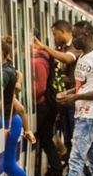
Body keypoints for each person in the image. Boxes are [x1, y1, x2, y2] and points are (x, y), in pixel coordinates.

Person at [44, 21, 93, 176]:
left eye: (77, 36)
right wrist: (69, 93)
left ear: (86, 35)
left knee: (76, 159)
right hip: (83, 114)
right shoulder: (83, 57)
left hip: (90, 116)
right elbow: (85, 86)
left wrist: (76, 98)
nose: (74, 40)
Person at [0, 41, 45, 176]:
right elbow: (19, 107)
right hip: (13, 121)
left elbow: (12, 105)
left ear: (1, 54)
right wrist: (27, 130)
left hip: (8, 122)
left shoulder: (4, 73)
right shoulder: (11, 70)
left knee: (8, 165)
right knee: (8, 164)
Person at [34, 20, 82, 160]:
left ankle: (81, 172)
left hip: (74, 99)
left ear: (62, 32)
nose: (54, 37)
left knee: (74, 136)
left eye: (55, 34)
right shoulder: (60, 47)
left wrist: (44, 47)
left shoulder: (75, 46)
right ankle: (71, 165)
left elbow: (67, 59)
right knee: (67, 135)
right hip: (64, 100)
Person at [33, 30, 64, 176]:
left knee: (42, 139)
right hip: (49, 105)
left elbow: (39, 88)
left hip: (42, 106)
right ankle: (56, 173)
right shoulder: (45, 56)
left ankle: (55, 174)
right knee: (46, 139)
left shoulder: (37, 60)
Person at [2, 36, 36, 145]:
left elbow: (17, 86)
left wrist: (17, 84)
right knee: (20, 109)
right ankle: (27, 131)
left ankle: (27, 131)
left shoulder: (7, 70)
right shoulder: (10, 67)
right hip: (10, 104)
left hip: (9, 106)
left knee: (20, 108)